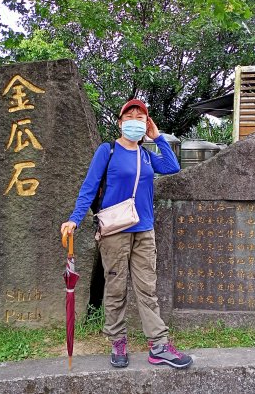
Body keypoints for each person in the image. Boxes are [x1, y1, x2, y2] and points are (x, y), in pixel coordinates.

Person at [60, 99, 193, 369]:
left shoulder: (145, 155)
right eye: (129, 116)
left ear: (146, 123)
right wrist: (74, 218)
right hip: (115, 232)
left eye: (140, 117)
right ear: (120, 123)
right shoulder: (107, 151)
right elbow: (89, 187)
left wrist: (158, 137)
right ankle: (118, 341)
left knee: (147, 290)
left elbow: (172, 167)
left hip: (144, 231)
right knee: (116, 289)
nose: (135, 120)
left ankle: (158, 346)